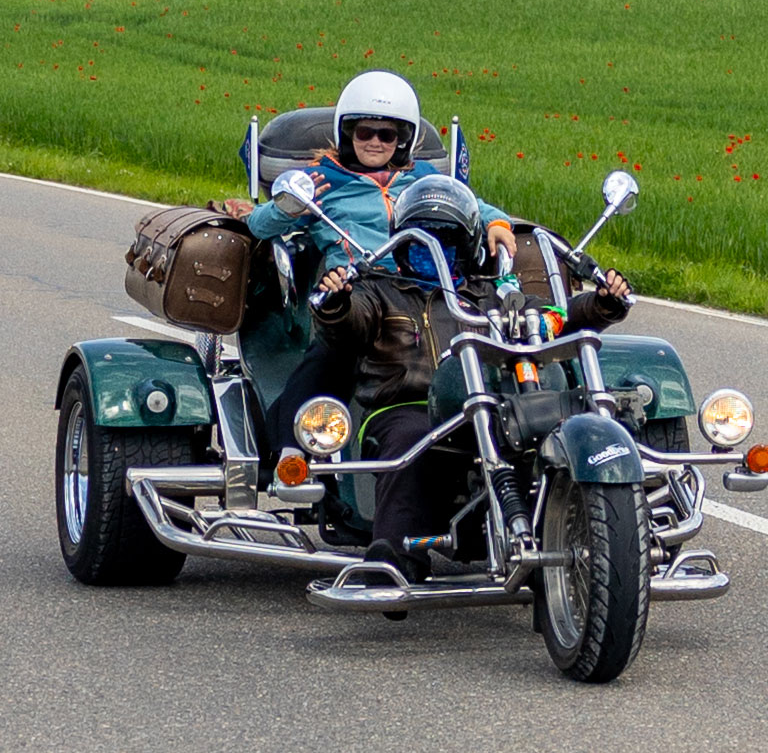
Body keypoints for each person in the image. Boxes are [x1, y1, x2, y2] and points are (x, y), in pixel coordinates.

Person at [312, 174, 634, 583]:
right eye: (419, 240)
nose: (432, 249)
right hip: (408, 403)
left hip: (492, 404)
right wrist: (336, 302)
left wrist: (602, 303)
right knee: (414, 440)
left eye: (445, 240)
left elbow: (552, 316)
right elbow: (347, 322)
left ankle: (586, 531)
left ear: (467, 247)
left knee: (549, 431)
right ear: (401, 244)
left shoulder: (492, 293)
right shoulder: (378, 292)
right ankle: (395, 557)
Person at [215, 71, 519, 460]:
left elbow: (471, 205)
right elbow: (259, 225)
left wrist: (497, 224)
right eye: (364, 132)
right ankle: (292, 451)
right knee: (331, 357)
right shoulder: (321, 179)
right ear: (347, 133)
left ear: (403, 139)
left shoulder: (421, 176)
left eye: (387, 134)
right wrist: (288, 208)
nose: (375, 142)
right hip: (358, 290)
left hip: (424, 288)